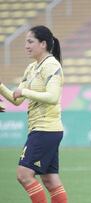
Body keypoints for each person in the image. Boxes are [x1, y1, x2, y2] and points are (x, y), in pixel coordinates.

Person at [0, 25, 67, 203]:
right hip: (42, 129)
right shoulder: (32, 68)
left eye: (30, 41)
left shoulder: (52, 65)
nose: (26, 46)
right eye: (25, 42)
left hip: (46, 129)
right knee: (50, 180)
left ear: (43, 44)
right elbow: (16, 99)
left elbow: (52, 97)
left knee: (23, 174)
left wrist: (24, 93)